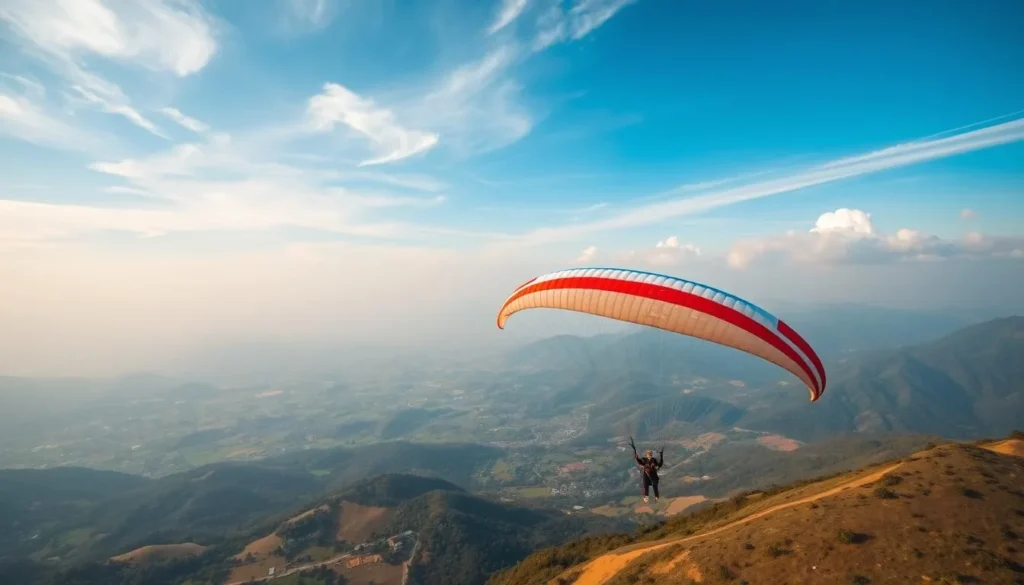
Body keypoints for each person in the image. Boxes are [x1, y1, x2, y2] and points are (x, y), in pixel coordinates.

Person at [630, 437, 664, 503]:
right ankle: (646, 496)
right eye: (648, 454)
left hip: (653, 474)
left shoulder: (654, 460)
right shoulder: (644, 460)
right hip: (646, 473)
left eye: (650, 454)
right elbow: (639, 461)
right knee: (645, 484)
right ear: (646, 455)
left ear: (651, 455)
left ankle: (656, 496)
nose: (649, 455)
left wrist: (661, 456)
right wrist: (635, 454)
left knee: (654, 484)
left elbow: (659, 464)